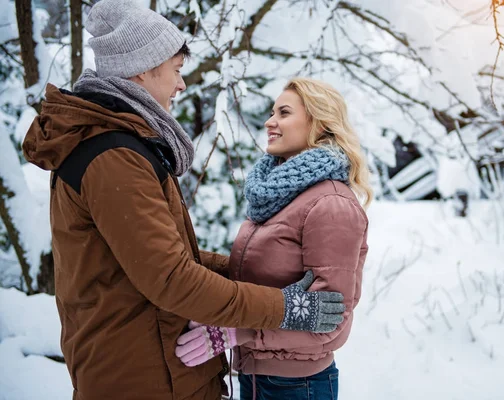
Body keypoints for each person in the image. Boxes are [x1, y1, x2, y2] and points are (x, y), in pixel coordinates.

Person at [21, 2, 346, 399]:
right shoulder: (113, 156)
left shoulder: (121, 145)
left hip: (151, 367)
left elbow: (163, 258)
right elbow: (173, 279)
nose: (181, 85)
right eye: (176, 70)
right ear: (144, 67)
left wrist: (250, 271)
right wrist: (284, 306)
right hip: (141, 378)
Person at [175, 77, 372, 400]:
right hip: (258, 377)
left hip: (297, 386)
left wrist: (238, 330)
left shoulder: (330, 205)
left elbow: (332, 318)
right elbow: (258, 277)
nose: (270, 122)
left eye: (283, 113)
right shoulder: (281, 197)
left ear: (319, 125)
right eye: (271, 112)